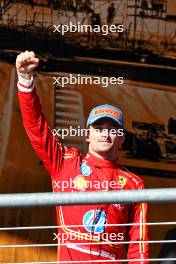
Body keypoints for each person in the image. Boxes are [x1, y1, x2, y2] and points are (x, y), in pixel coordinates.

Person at [16, 51, 149, 263]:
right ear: (87, 134)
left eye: (113, 129)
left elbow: (138, 248)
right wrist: (25, 80)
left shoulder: (134, 184)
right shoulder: (66, 163)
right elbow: (36, 128)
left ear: (122, 137)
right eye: (99, 128)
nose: (105, 134)